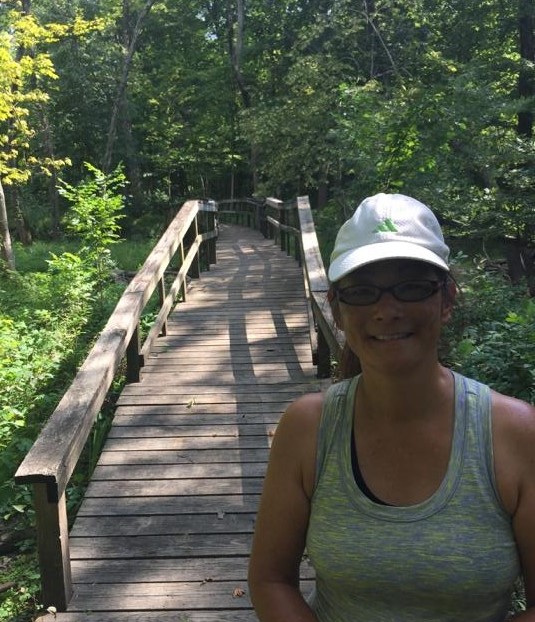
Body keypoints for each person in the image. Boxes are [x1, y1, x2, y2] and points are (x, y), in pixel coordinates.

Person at [248, 193, 535, 621]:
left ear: (447, 299)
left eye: (412, 286)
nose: (387, 310)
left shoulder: (514, 433)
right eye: (362, 291)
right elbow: (271, 580)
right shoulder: (308, 428)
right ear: (338, 311)